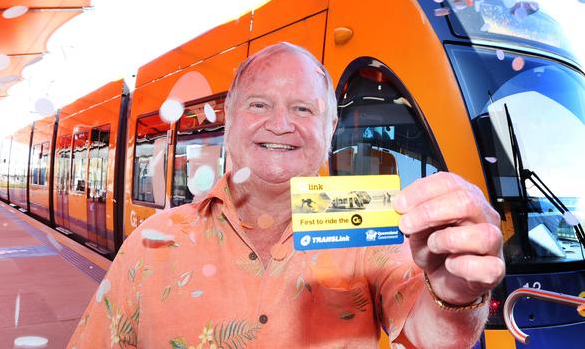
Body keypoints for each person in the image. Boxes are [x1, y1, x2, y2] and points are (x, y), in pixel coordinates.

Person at [68, 42, 504, 349]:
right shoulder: (150, 242)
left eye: (303, 109)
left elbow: (435, 337)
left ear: (329, 129)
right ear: (230, 123)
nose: (280, 124)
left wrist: (455, 293)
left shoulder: (372, 229)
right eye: (258, 105)